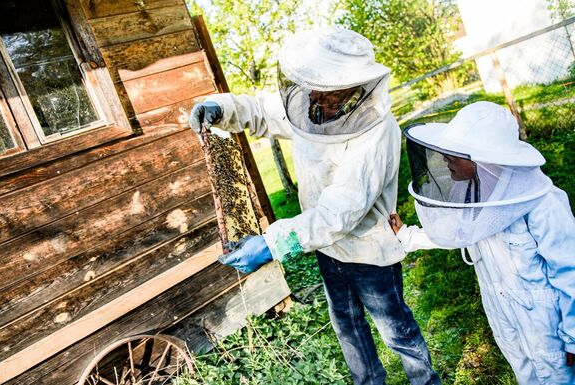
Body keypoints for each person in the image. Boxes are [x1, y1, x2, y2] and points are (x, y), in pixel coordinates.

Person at [189, 27, 441, 385]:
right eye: (316, 87)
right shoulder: (309, 104)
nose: (319, 98)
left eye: (329, 91)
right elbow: (261, 111)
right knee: (348, 330)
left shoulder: (377, 132)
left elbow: (339, 214)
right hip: (326, 247)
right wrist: (222, 108)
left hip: (370, 251)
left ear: (354, 86)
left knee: (395, 330)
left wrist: (273, 243)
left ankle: (426, 381)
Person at [389, 101, 575, 385]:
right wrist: (409, 236)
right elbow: (458, 232)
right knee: (526, 376)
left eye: (456, 154)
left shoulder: (544, 204)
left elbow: (570, 269)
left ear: (485, 159)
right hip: (501, 312)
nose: (446, 159)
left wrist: (573, 337)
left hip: (545, 322)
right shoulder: (473, 193)